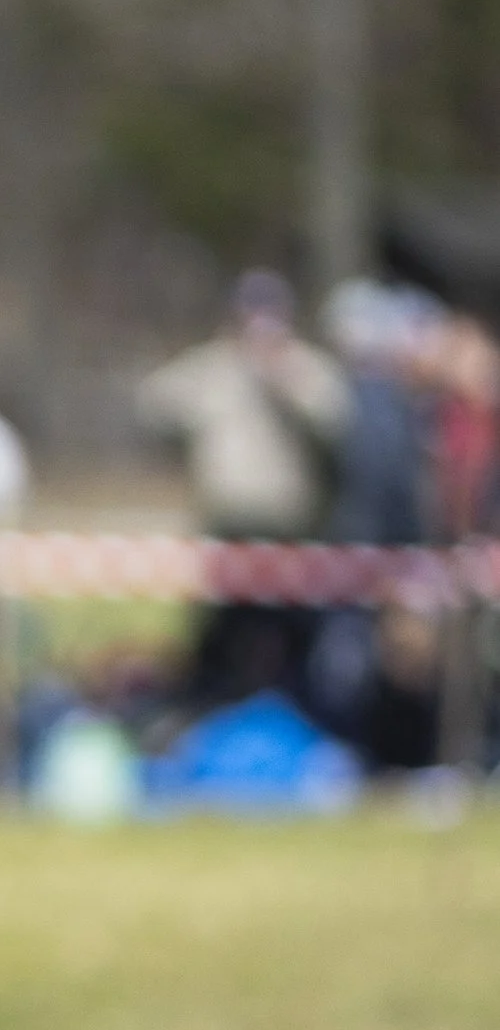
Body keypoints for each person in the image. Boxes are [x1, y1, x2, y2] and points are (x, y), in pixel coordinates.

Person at [138, 270, 352, 707]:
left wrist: (283, 378)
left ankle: (293, 717)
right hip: (228, 523)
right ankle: (214, 715)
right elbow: (155, 402)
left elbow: (337, 420)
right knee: (222, 632)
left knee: (291, 632)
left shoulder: (301, 367)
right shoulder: (215, 367)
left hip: (288, 526)